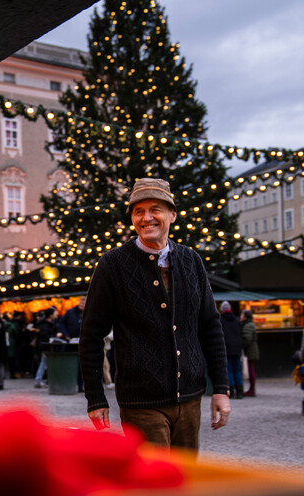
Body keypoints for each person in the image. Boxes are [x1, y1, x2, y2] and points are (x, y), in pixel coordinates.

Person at [79, 177, 231, 451]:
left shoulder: (191, 260)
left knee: (184, 479)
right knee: (155, 484)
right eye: (138, 211)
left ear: (172, 214)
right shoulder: (112, 264)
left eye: (155, 209)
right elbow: (91, 335)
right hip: (141, 402)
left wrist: (221, 388)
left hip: (190, 397)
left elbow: (210, 326)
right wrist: (96, 399)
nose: (146, 217)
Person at [56, 296, 86, 392]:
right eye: (81, 303)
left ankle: (81, 386)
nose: (82, 305)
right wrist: (65, 334)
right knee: (69, 364)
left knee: (81, 366)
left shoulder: (89, 312)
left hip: (83, 343)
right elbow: (61, 323)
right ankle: (67, 384)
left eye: (84, 304)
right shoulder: (70, 312)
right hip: (70, 342)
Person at [219, 301, 244, 399]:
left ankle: (232, 391)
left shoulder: (220, 320)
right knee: (237, 370)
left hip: (226, 348)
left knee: (228, 370)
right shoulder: (237, 320)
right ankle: (240, 391)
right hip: (237, 348)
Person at [33, 307, 57, 389]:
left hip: (46, 346)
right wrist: (55, 336)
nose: (56, 315)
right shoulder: (45, 324)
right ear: (50, 315)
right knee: (44, 363)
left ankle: (40, 380)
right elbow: (45, 336)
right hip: (46, 346)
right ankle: (39, 380)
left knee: (45, 363)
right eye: (55, 313)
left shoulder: (47, 323)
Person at [241, 309, 260, 397]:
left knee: (250, 369)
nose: (240, 317)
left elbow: (247, 339)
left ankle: (252, 389)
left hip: (250, 350)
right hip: (251, 349)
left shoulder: (247, 325)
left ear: (245, 317)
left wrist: (241, 345)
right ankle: (252, 388)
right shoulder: (249, 324)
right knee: (250, 368)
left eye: (242, 315)